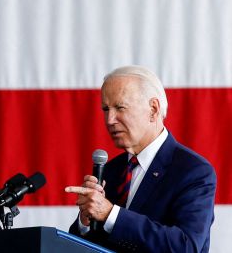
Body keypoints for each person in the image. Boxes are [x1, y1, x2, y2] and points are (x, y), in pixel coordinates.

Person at [64, 65, 216, 252]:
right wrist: (86, 220)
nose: (110, 119)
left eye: (120, 107)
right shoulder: (111, 170)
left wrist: (111, 214)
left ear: (153, 109)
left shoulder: (193, 171)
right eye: (106, 108)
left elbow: (186, 246)